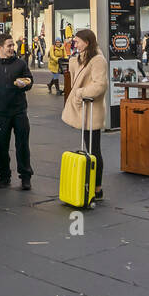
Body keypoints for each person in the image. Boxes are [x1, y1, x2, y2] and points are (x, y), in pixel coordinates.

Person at [0, 32, 34, 189]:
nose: (12, 48)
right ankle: (4, 176)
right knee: (2, 145)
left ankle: (25, 177)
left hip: (19, 111)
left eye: (13, 45)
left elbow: (29, 80)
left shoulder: (20, 63)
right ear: (0, 47)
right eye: (9, 45)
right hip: (1, 111)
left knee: (22, 144)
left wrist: (25, 83)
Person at [61, 29, 108, 202]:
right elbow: (74, 76)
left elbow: (100, 85)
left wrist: (81, 93)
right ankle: (90, 185)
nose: (75, 44)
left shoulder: (98, 60)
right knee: (89, 148)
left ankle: (97, 188)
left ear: (86, 43)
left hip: (91, 109)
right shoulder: (81, 58)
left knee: (94, 150)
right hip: (84, 110)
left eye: (78, 41)